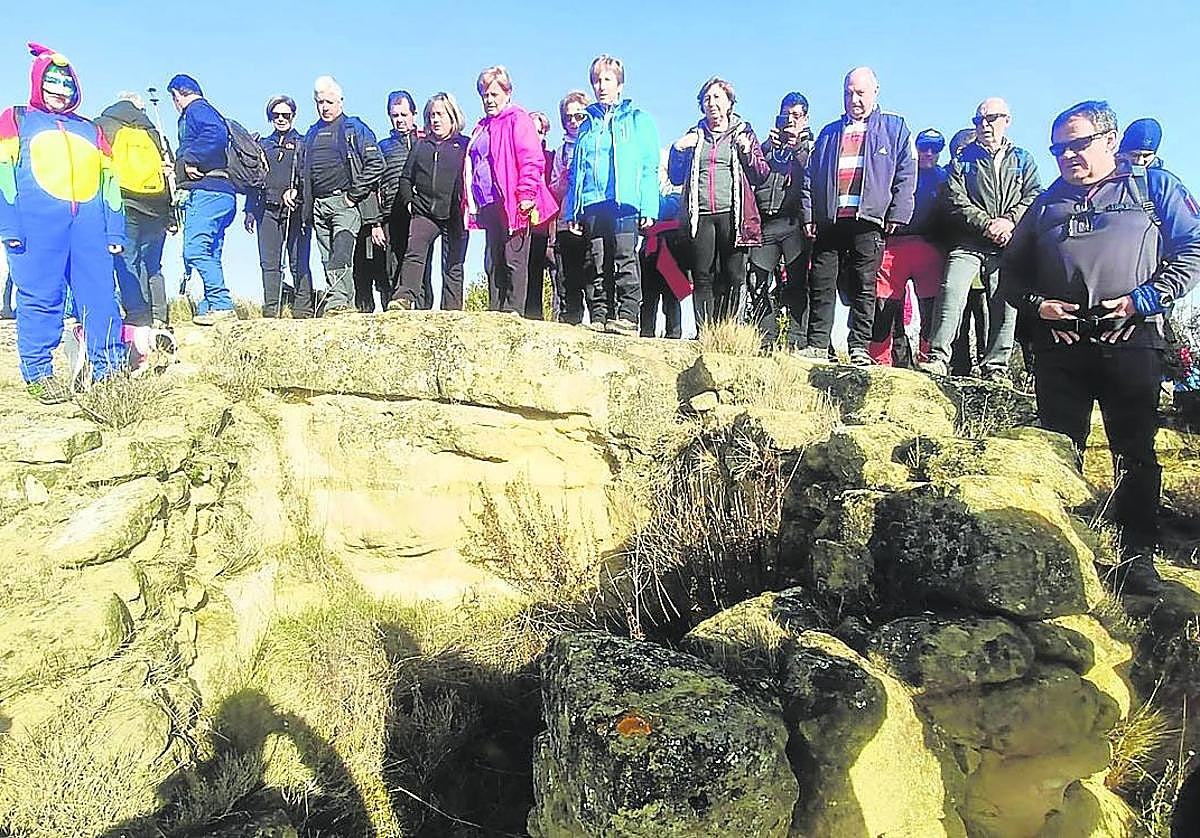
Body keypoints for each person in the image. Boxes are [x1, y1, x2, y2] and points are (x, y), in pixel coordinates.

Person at [999, 99, 1200, 594]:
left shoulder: (1155, 187)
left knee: (1134, 451)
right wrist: (1038, 306)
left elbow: (1192, 249)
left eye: (1077, 144)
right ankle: (1059, 551)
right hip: (1059, 346)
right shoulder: (1045, 203)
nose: (1067, 156)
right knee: (1057, 450)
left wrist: (1141, 300)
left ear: (1110, 140)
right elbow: (1009, 274)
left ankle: (1137, 555)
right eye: (1057, 149)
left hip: (1132, 340)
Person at [1, 43, 125, 403]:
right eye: (52, 82)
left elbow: (110, 183)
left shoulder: (91, 130)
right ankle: (39, 372)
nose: (60, 90)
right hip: (36, 228)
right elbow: (3, 172)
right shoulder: (17, 118)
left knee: (101, 298)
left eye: (67, 84)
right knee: (40, 297)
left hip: (90, 228)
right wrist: (8, 224)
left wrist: (114, 228)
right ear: (38, 82)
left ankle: (110, 372)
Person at [921, 98, 1042, 383]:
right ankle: (938, 357)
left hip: (1007, 243)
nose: (983, 125)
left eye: (990, 118)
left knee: (1005, 301)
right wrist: (987, 224)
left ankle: (996, 366)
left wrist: (1009, 221)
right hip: (969, 242)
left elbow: (1035, 194)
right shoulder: (962, 160)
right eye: (978, 120)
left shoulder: (1023, 158)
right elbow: (955, 198)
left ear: (1007, 120)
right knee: (951, 290)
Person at [801, 67, 916, 365]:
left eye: (860, 92)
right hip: (830, 219)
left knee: (865, 284)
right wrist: (809, 214)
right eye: (848, 93)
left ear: (875, 91)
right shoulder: (828, 133)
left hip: (870, 219)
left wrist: (898, 212)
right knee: (822, 281)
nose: (854, 98)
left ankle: (859, 348)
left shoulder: (895, 128)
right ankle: (816, 345)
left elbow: (906, 172)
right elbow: (809, 178)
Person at [562, 55, 661, 335]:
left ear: (620, 85)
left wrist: (649, 207)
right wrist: (573, 210)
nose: (601, 85)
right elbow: (576, 172)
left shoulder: (638, 120)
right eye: (596, 80)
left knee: (623, 257)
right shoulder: (586, 125)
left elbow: (649, 166)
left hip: (626, 201)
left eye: (607, 79)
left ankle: (628, 316)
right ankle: (599, 315)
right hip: (593, 202)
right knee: (596, 260)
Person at [668, 77, 769, 330]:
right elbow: (675, 177)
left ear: (729, 103)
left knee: (734, 275)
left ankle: (728, 331)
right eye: (707, 99)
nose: (712, 103)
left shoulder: (743, 132)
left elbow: (761, 173)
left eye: (717, 98)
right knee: (703, 275)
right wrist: (678, 150)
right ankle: (705, 332)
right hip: (700, 215)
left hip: (733, 214)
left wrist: (747, 151)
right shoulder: (694, 135)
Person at [465, 65, 558, 315]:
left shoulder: (518, 119)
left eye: (494, 94)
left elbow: (532, 159)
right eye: (484, 94)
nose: (489, 100)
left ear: (507, 93)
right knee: (492, 260)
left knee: (513, 258)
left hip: (514, 201)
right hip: (489, 202)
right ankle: (496, 311)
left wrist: (526, 195)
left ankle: (513, 311)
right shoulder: (482, 126)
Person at [300, 75, 385, 317]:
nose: (324, 107)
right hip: (318, 204)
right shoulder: (311, 133)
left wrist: (352, 196)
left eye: (328, 101)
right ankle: (340, 304)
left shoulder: (354, 128)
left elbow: (376, 163)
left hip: (345, 204)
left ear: (340, 101)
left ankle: (338, 303)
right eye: (319, 102)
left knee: (341, 252)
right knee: (327, 257)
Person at [868, 127, 948, 366]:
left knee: (931, 309)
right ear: (917, 149)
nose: (930, 153)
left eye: (936, 148)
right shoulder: (899, 173)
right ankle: (878, 361)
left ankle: (928, 360)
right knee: (884, 305)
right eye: (925, 147)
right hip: (895, 246)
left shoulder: (945, 177)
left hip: (930, 248)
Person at [97, 91, 173, 328]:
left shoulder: (103, 125)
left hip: (123, 203)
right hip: (157, 206)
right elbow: (168, 173)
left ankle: (138, 317)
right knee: (152, 265)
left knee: (127, 261)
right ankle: (159, 316)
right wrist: (172, 215)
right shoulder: (154, 132)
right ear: (140, 108)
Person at [390, 93, 469, 311]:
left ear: (452, 116)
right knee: (414, 254)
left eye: (440, 114)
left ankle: (452, 311)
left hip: (455, 214)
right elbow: (406, 177)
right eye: (431, 115)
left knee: (453, 264)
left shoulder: (465, 145)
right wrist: (409, 202)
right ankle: (404, 298)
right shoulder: (421, 145)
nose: (435, 120)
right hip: (424, 211)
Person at [168, 73, 236, 325]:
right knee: (211, 251)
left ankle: (221, 304)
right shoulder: (208, 110)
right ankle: (210, 307)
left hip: (208, 193)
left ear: (177, 95)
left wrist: (189, 158)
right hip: (224, 193)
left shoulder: (197, 110)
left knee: (194, 249)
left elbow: (215, 133)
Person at [748, 92, 812, 350]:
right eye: (787, 115)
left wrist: (797, 146)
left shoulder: (813, 146)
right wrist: (765, 148)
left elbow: (814, 174)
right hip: (766, 223)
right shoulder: (767, 148)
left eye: (796, 116)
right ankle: (765, 337)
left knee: (796, 282)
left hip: (794, 223)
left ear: (806, 118)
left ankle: (797, 340)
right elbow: (752, 173)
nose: (790, 121)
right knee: (757, 281)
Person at [244, 95, 312, 318]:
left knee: (298, 260)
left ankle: (303, 310)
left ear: (293, 115)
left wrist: (298, 193)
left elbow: (308, 176)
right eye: (276, 115)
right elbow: (254, 178)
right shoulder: (262, 144)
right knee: (269, 262)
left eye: (286, 115)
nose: (281, 119)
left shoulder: (303, 143)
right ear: (270, 117)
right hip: (266, 209)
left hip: (295, 209)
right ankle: (271, 309)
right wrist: (249, 210)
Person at [549, 90, 590, 324]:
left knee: (592, 267)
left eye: (578, 116)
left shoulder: (596, 143)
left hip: (590, 215)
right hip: (566, 215)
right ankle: (570, 317)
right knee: (567, 271)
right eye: (568, 117)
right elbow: (554, 186)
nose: (573, 121)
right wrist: (562, 182)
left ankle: (598, 317)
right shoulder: (561, 150)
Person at [524, 110, 555, 319]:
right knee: (529, 274)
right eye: (532, 131)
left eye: (540, 131)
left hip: (548, 225)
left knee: (555, 274)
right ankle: (531, 316)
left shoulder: (551, 157)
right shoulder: (520, 158)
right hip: (525, 225)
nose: (536, 136)